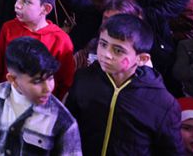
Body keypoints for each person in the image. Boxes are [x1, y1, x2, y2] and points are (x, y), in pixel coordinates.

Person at [65, 14, 184, 155]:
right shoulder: (83, 79)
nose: (106, 54)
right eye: (103, 44)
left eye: (118, 50)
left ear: (141, 59)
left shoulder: (162, 103)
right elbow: (68, 128)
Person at [0, 37, 82, 156]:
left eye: (50, 78)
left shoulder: (63, 121)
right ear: (12, 79)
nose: (48, 88)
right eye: (37, 81)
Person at [0, 0, 75, 100]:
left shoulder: (60, 40)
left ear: (45, 9)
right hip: (8, 99)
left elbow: (65, 82)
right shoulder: (8, 28)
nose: (17, 5)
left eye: (26, 1)